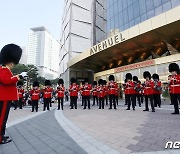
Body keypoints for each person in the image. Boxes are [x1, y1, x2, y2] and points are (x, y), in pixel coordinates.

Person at [0, 44, 22, 144]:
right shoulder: (3, 69)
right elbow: (6, 80)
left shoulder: (7, 70)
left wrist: (17, 78)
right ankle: (0, 138)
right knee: (1, 118)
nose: (13, 64)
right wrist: (18, 77)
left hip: (6, 97)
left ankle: (2, 134)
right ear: (9, 60)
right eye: (12, 62)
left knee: (4, 118)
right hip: (4, 97)